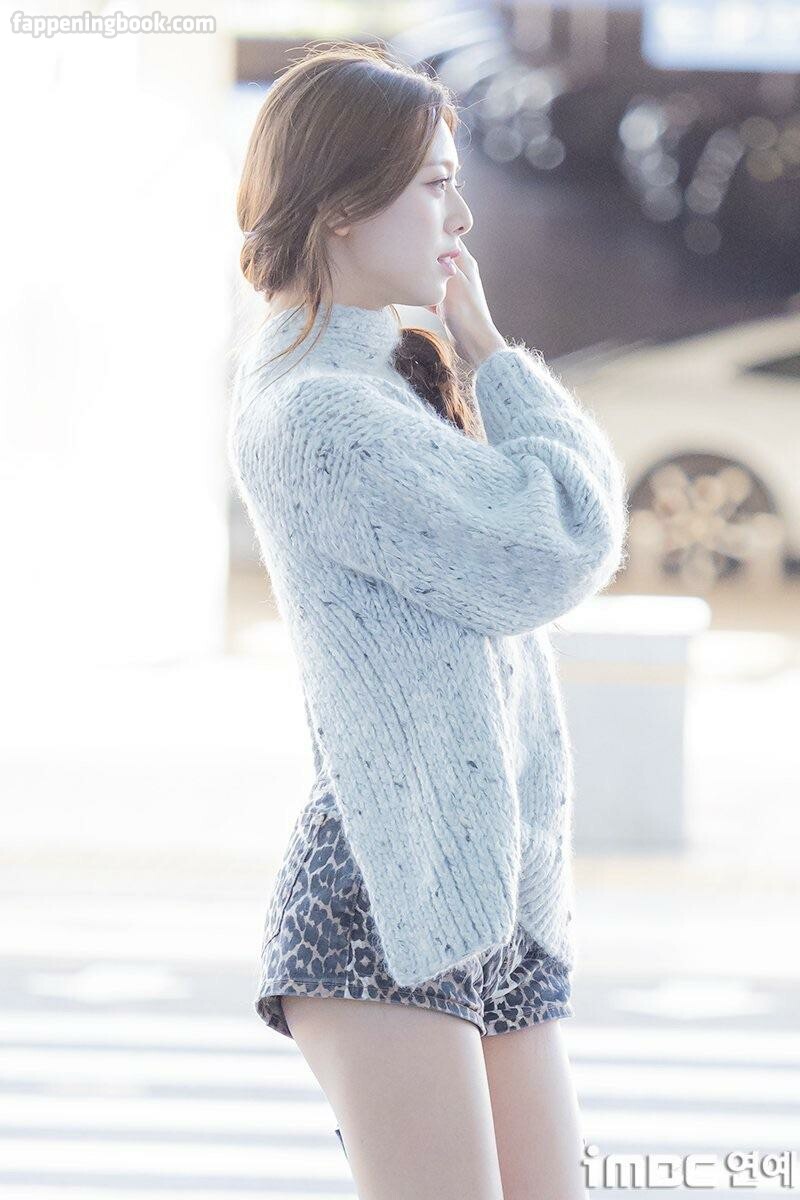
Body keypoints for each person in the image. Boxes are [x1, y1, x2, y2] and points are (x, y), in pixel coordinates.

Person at [228, 38, 627, 1200]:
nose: (461, 213)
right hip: (382, 895)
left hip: (486, 894)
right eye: (435, 183)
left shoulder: (376, 385)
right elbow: (561, 540)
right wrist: (493, 353)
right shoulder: (320, 416)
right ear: (343, 209)